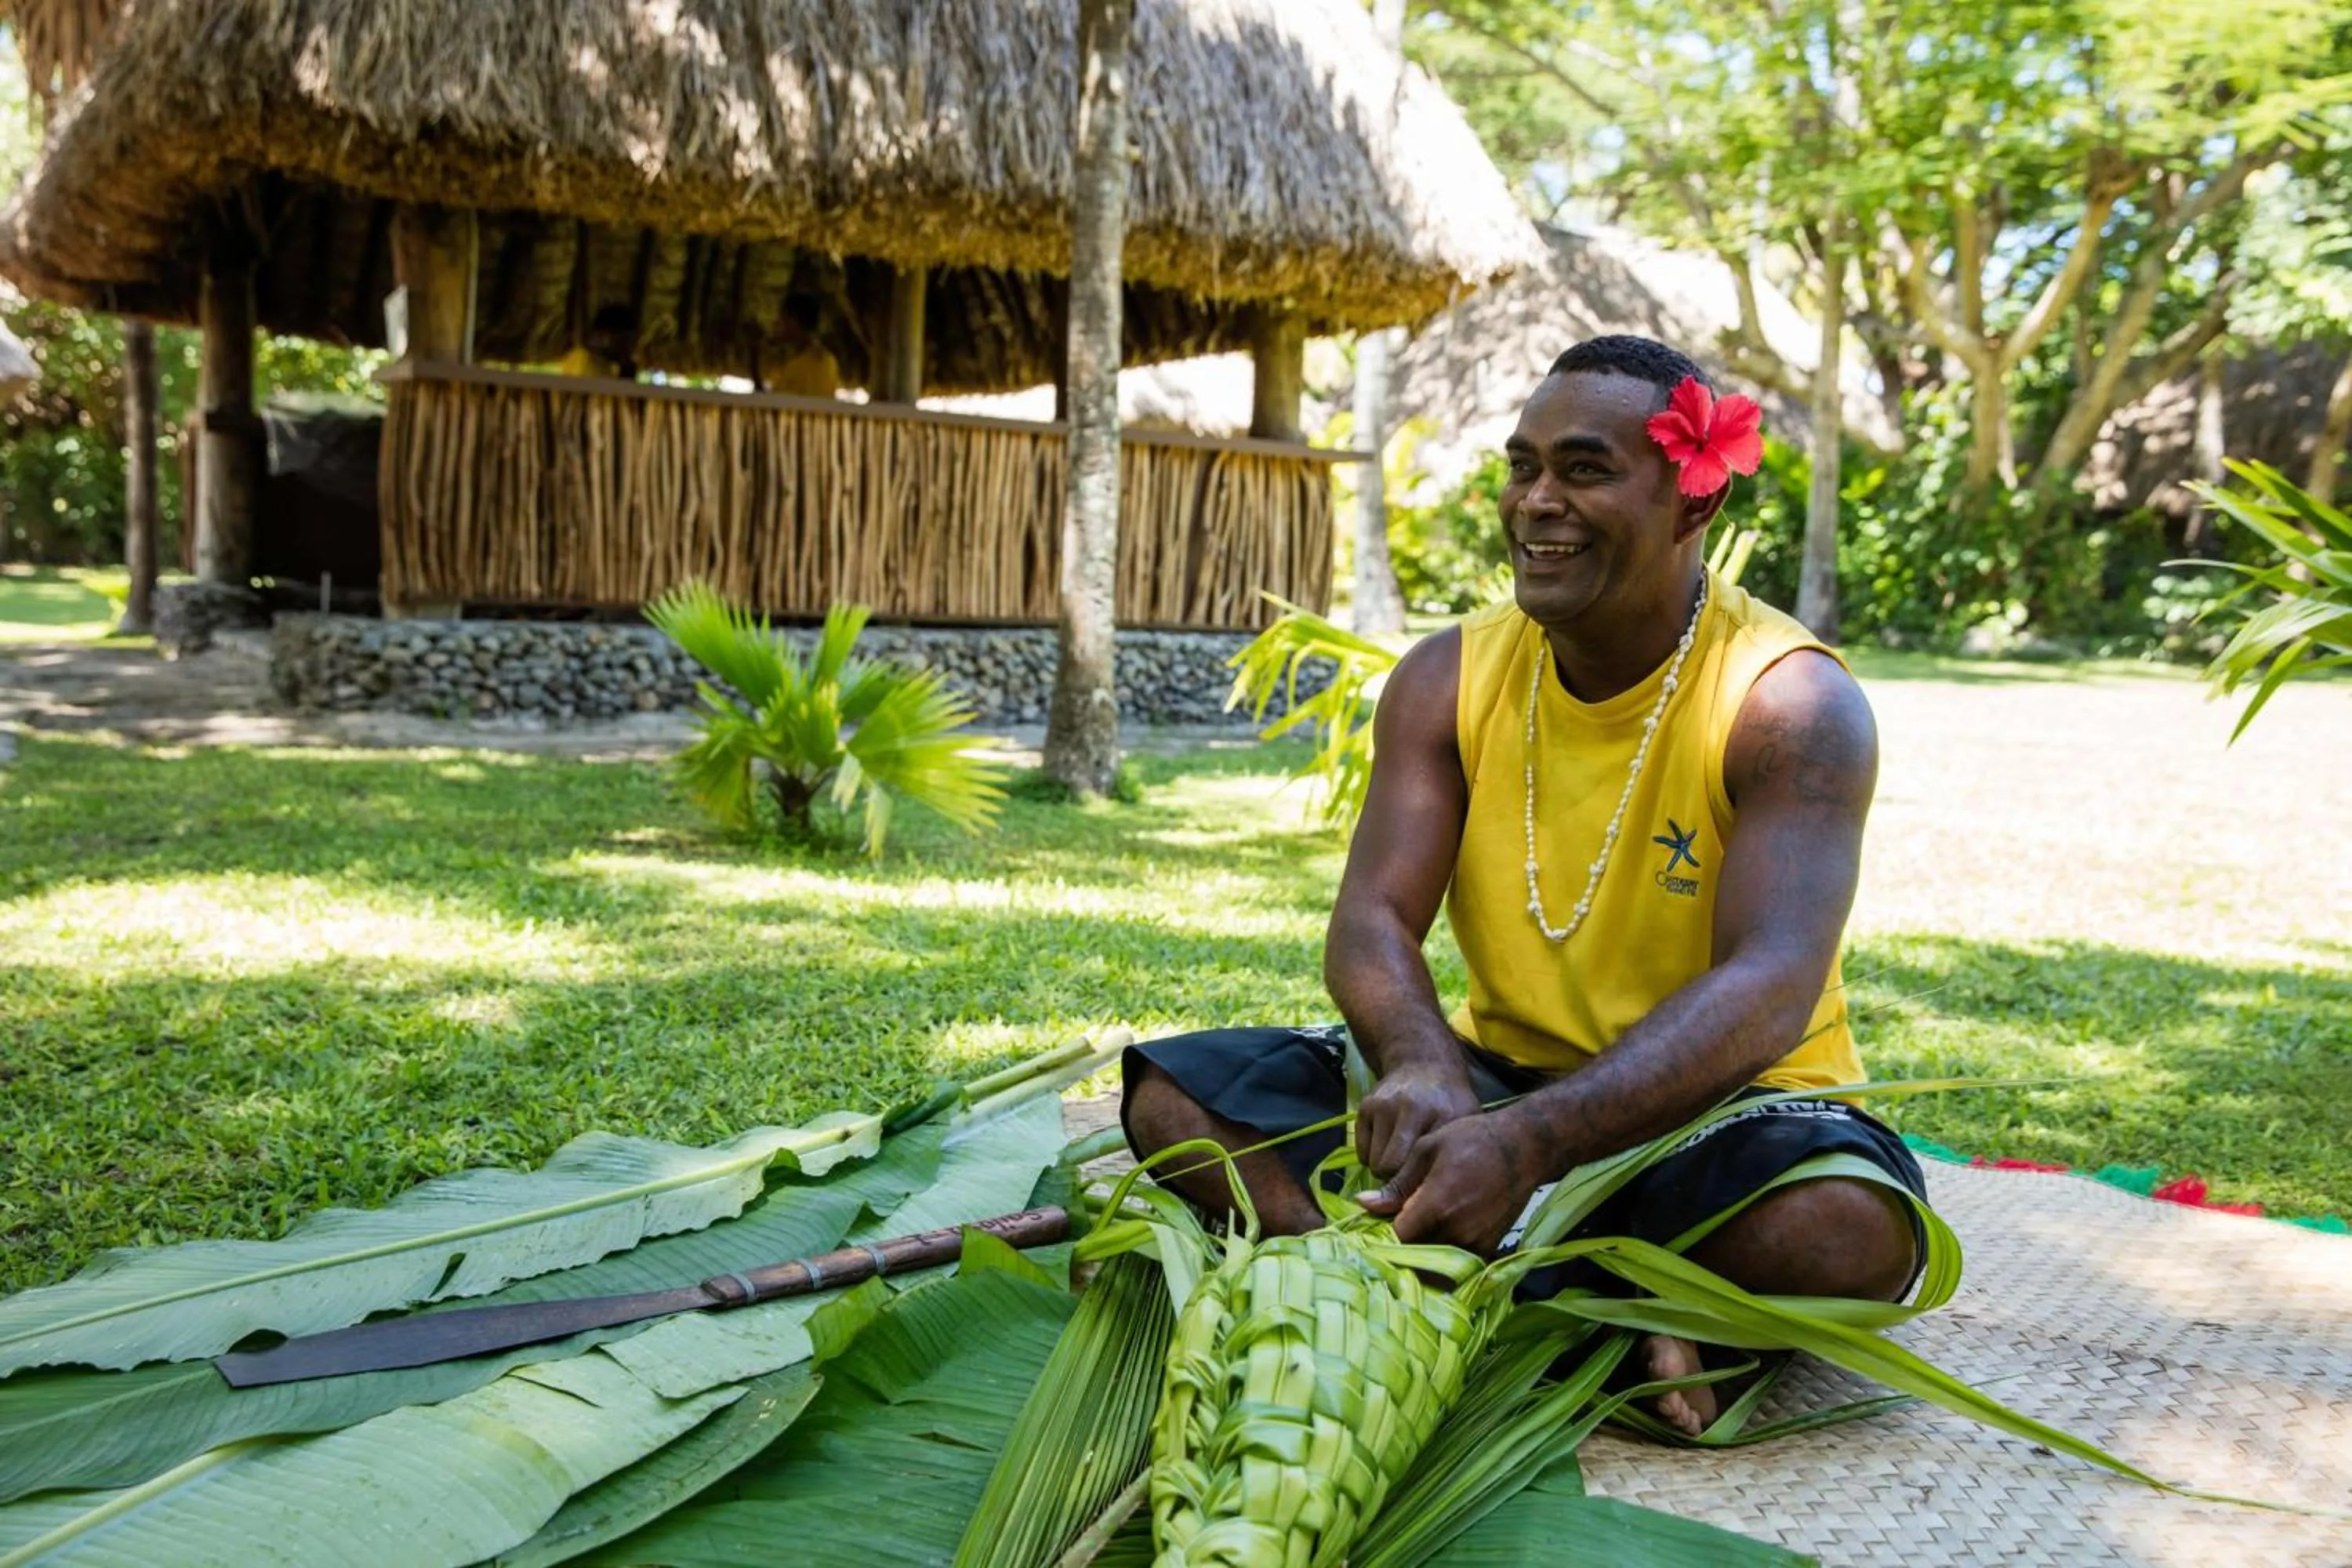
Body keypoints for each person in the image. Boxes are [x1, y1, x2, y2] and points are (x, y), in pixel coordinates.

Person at [1121, 334, 1931, 1437]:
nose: (1536, 503)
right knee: (1178, 1100)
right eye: (1522, 467)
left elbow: (1772, 987)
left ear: (1692, 503)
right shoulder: (1448, 676)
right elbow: (1373, 918)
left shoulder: (1788, 703)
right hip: (1488, 1090)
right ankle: (1576, 1319)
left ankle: (1421, 1287)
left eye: (1585, 470)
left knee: (1846, 1231)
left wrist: (1536, 1145)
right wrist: (1421, 1065)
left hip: (1723, 1116)